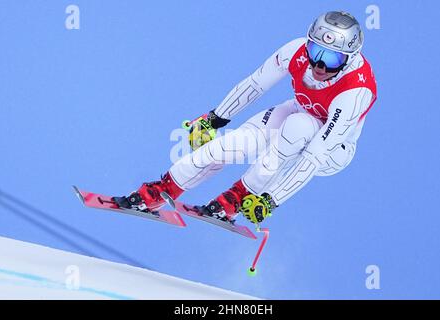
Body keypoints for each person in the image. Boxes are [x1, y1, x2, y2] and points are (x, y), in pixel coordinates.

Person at [118, 11, 377, 225]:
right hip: (299, 110)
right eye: (315, 51)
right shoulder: (296, 51)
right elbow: (256, 84)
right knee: (232, 144)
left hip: (334, 149)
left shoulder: (355, 91)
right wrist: (215, 119)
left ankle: (239, 197)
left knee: (298, 127)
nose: (319, 65)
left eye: (332, 58)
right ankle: (163, 189)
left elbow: (315, 155)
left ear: (349, 59)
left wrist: (271, 199)